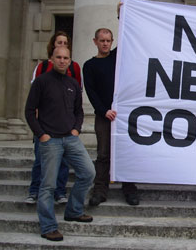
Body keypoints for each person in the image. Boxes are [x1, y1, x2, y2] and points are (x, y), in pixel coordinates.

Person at [25, 47, 95, 241]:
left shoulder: (73, 83)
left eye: (66, 58)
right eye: (59, 57)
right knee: (48, 185)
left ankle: (74, 210)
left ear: (70, 60)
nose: (62, 61)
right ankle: (48, 226)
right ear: (51, 59)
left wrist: (76, 129)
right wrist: (41, 135)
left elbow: (79, 111)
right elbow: (30, 111)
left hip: (70, 138)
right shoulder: (41, 82)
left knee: (88, 173)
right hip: (50, 141)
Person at [83, 28, 139, 206]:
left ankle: (129, 188)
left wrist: (120, 14)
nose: (105, 43)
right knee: (103, 154)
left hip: (122, 116)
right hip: (103, 116)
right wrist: (103, 110)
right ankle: (100, 190)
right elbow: (91, 93)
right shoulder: (89, 66)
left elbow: (126, 33)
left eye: (108, 40)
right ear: (95, 42)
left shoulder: (116, 58)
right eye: (102, 40)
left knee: (125, 152)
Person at [25, 31, 82, 205]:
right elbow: (31, 106)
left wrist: (75, 129)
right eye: (59, 43)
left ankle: (60, 191)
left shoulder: (73, 72)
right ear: (52, 49)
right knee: (40, 163)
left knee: (64, 164)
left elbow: (78, 106)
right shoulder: (42, 72)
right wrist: (40, 132)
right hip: (45, 130)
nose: (62, 45)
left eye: (65, 43)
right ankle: (34, 191)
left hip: (66, 131)